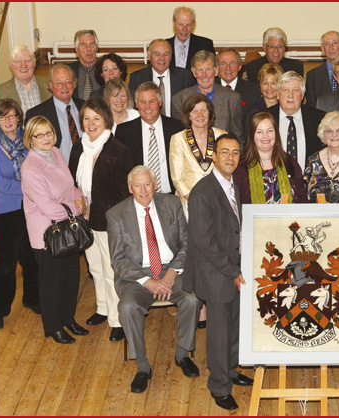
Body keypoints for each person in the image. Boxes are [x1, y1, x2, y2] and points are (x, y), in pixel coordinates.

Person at [106, 166, 201, 393]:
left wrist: (171, 273)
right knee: (127, 307)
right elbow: (118, 260)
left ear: (155, 184)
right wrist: (148, 281)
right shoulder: (116, 214)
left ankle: (182, 353)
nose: (143, 190)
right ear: (130, 188)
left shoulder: (171, 204)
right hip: (136, 276)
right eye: (137, 185)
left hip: (171, 270)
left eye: (147, 184)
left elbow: (188, 243)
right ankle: (142, 365)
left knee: (193, 298)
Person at [185, 134, 253, 410]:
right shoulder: (202, 192)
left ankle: (232, 371)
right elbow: (204, 242)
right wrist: (233, 270)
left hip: (234, 268)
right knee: (219, 333)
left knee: (235, 326)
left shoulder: (233, 183)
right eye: (225, 152)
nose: (230, 158)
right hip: (216, 273)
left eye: (235, 153)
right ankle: (219, 386)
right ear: (213, 154)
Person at [68, 98, 133, 342]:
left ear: (106, 120)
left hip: (108, 222)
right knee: (94, 268)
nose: (91, 123)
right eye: (86, 118)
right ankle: (103, 309)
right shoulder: (79, 147)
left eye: (96, 118)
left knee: (110, 270)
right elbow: (72, 182)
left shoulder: (119, 150)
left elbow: (125, 193)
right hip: (84, 219)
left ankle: (117, 319)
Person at [20, 115, 88, 344]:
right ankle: (52, 326)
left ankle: (68, 318)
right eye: (39, 135)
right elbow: (48, 207)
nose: (46, 138)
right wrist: (76, 210)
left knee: (70, 277)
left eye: (48, 132)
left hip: (66, 228)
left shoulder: (57, 152)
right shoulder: (30, 168)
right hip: (47, 234)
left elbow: (70, 184)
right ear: (31, 139)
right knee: (51, 283)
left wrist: (79, 197)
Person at [0, 99, 40, 329]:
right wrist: (25, 188)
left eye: (12, 116)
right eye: (3, 117)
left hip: (33, 206)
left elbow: (40, 168)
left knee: (31, 258)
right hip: (7, 210)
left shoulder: (30, 139)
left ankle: (32, 299)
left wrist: (31, 191)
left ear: (19, 117)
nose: (8, 121)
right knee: (6, 263)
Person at [115, 82, 183, 194]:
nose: (147, 107)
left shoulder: (177, 128)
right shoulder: (124, 131)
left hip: (172, 197)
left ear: (160, 102)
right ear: (136, 104)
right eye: (142, 102)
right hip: (139, 197)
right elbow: (120, 172)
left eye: (152, 101)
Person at [169, 93, 227, 215]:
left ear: (209, 113)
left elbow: (227, 170)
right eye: (195, 111)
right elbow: (177, 178)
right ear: (188, 115)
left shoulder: (222, 136)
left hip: (218, 200)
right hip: (189, 202)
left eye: (203, 111)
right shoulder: (178, 139)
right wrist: (195, 200)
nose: (200, 115)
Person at [171, 50, 244, 144]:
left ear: (216, 71)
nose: (204, 75)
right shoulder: (179, 100)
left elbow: (237, 139)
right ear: (194, 72)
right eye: (200, 70)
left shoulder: (232, 99)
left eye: (208, 70)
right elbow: (178, 140)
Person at [234, 112, 308, 204]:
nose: (265, 136)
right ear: (252, 136)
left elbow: (302, 199)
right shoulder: (240, 168)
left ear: (276, 133)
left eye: (270, 131)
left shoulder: (290, 163)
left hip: (290, 218)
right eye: (259, 132)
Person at [262, 71, 326, 171]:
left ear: (302, 95)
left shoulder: (319, 119)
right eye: (285, 90)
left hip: (308, 182)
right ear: (278, 95)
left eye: (295, 90)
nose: (290, 95)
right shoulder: (263, 118)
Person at [25, 64, 85, 163]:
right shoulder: (36, 114)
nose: (64, 87)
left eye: (68, 82)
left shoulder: (86, 106)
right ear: (51, 85)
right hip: (56, 172)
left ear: (74, 84)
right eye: (59, 83)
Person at [128, 39, 195, 117]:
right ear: (149, 56)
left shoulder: (185, 77)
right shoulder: (137, 78)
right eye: (157, 54)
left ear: (170, 57)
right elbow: (133, 108)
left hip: (178, 126)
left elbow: (191, 107)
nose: (162, 58)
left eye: (166, 54)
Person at [303, 111, 339, 203]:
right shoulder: (313, 161)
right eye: (329, 131)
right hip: (316, 216)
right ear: (323, 134)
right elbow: (304, 196)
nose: (334, 135)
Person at [0, 45, 51, 119]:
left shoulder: (51, 86)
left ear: (34, 63)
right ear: (11, 66)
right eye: (18, 62)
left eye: (27, 61)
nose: (24, 65)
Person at [215, 48, 261, 120]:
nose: (228, 68)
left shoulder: (253, 91)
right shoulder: (210, 89)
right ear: (217, 67)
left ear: (239, 67)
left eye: (232, 63)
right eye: (223, 64)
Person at [166, 6, 215, 70]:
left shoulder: (205, 45)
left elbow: (212, 72)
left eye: (188, 25)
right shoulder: (165, 46)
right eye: (180, 24)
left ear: (193, 24)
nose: (184, 29)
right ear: (174, 23)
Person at [244, 63, 283, 135]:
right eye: (265, 83)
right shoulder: (253, 111)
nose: (269, 88)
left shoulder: (285, 109)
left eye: (273, 83)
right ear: (260, 85)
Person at [69, 30, 101, 100]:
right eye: (83, 45)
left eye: (92, 44)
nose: (89, 49)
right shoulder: (69, 71)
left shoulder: (105, 70)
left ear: (97, 47)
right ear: (76, 49)